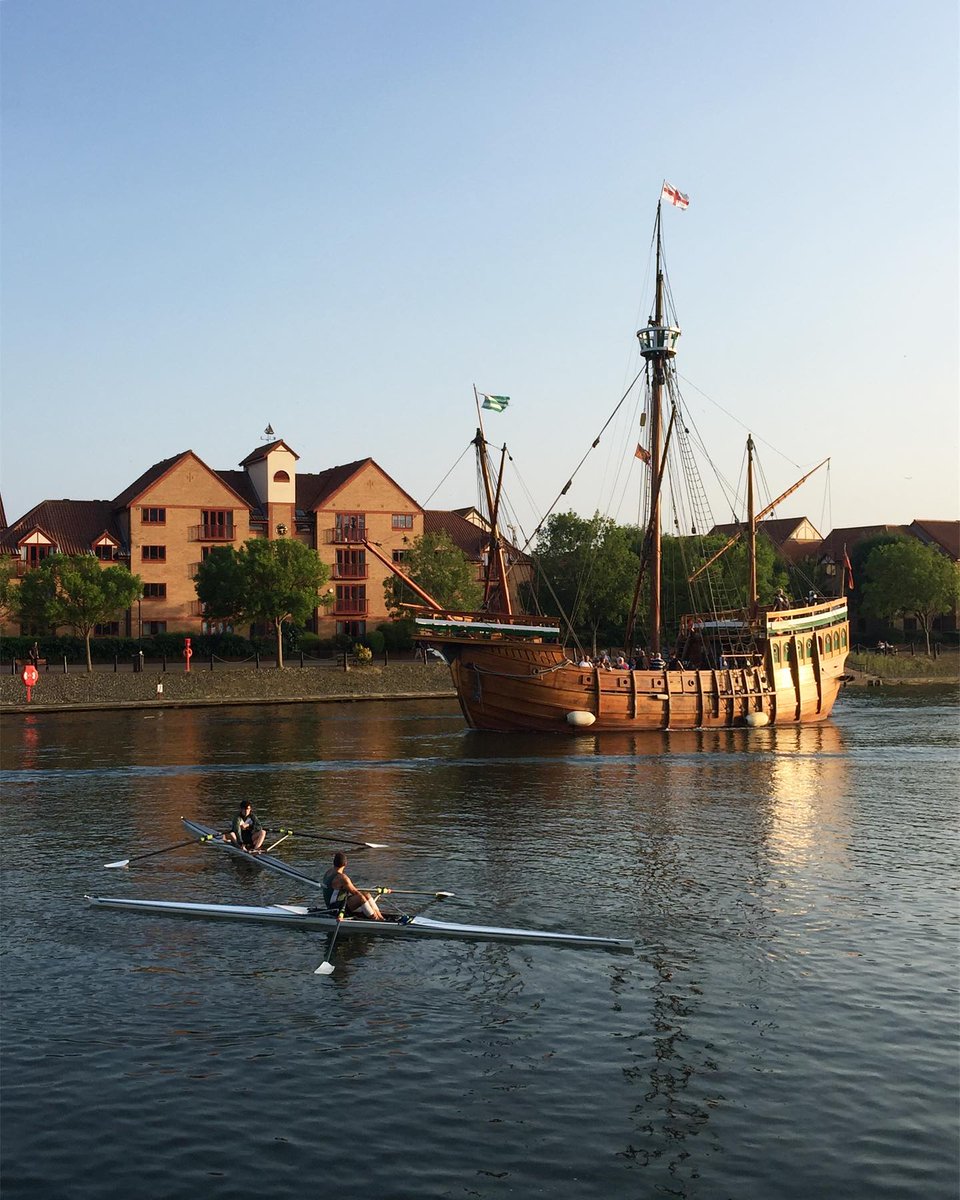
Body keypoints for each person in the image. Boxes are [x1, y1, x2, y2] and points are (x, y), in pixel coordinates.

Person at [322, 851, 385, 920]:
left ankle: (381, 917)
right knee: (360, 897)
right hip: (336, 909)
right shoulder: (342, 878)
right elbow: (355, 892)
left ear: (334, 863)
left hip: (336, 904)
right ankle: (375, 918)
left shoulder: (329, 872)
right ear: (345, 864)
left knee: (367, 894)